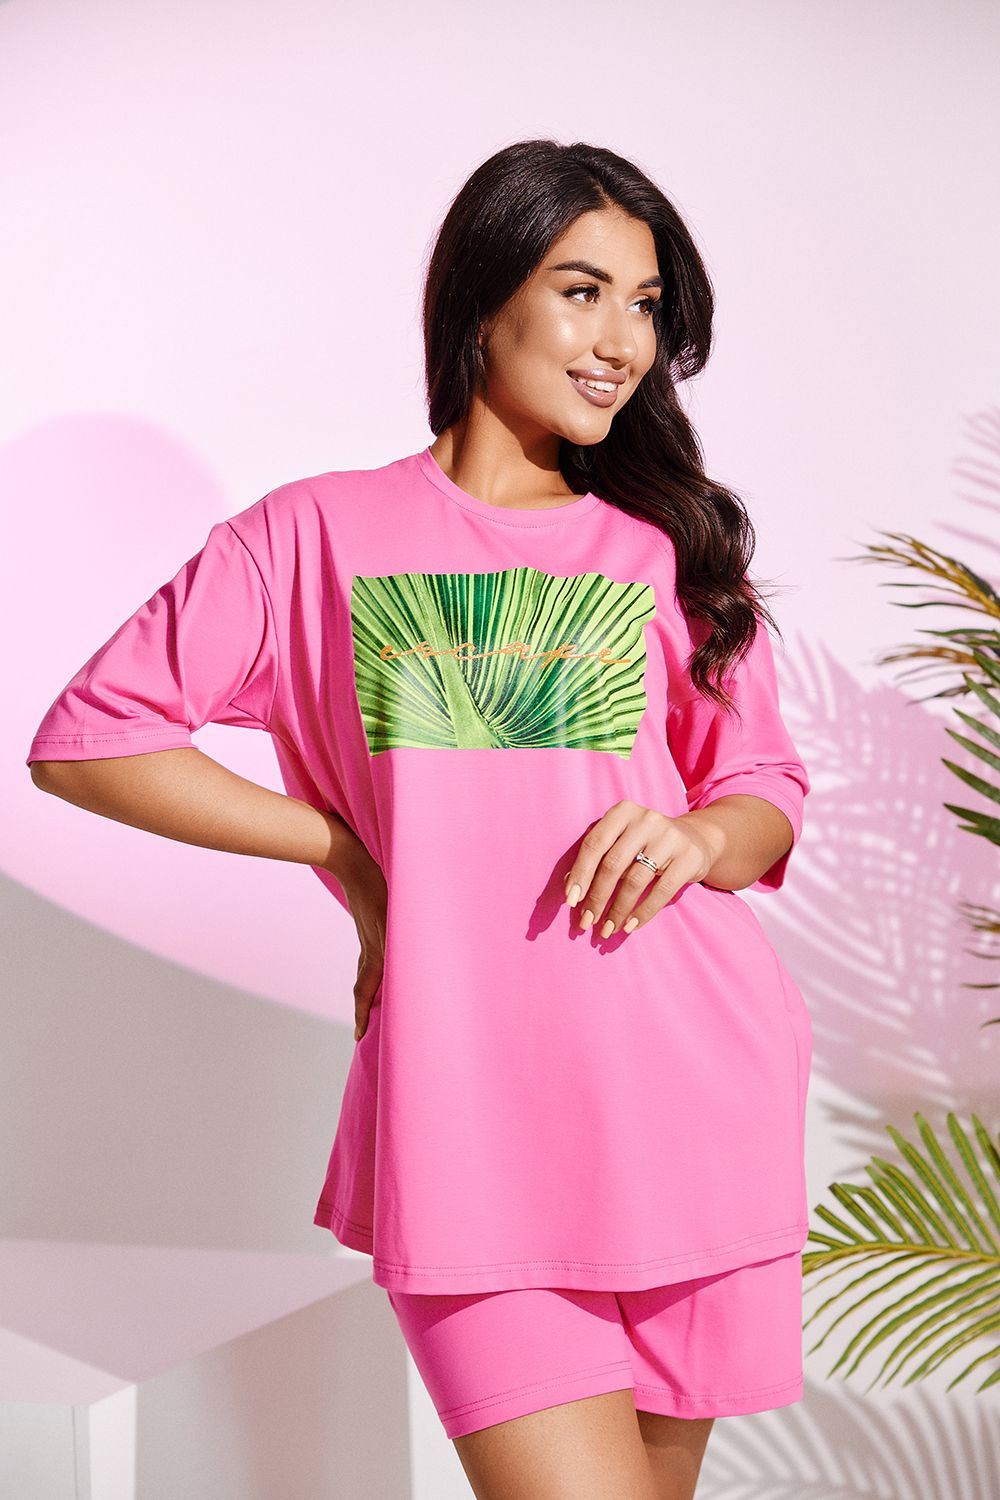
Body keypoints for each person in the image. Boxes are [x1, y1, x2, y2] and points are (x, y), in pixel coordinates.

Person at [27, 139, 812, 1500]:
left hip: (693, 1103)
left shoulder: (662, 549)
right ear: (482, 299)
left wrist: (697, 837)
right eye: (582, 291)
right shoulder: (310, 537)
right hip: (470, 1131)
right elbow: (93, 739)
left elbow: (766, 797)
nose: (621, 341)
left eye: (644, 305)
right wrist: (341, 848)